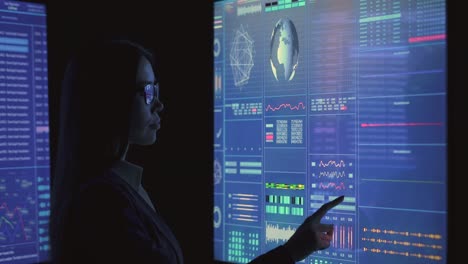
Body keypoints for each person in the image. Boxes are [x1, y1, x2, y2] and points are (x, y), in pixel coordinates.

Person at [49, 38, 344, 263]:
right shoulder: (101, 205)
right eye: (147, 91)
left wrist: (294, 250)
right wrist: (291, 252)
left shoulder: (119, 189)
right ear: (109, 98)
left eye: (157, 90)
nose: (159, 104)